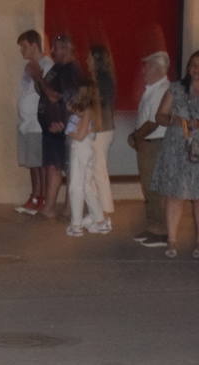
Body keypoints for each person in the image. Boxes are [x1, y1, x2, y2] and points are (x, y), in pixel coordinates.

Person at [150, 49, 199, 259]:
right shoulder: (176, 89)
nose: (195, 69)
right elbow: (160, 116)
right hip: (177, 148)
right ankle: (172, 240)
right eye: (192, 64)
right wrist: (175, 120)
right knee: (175, 195)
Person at [28, 34, 83, 219]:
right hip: (50, 126)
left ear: (67, 49)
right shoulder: (56, 67)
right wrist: (38, 79)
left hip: (61, 126)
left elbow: (55, 96)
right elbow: (43, 90)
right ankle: (52, 207)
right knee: (53, 165)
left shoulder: (71, 70)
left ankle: (61, 208)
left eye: (57, 47)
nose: (53, 51)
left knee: (61, 167)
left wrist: (39, 77)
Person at [128, 51, 171, 247]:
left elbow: (154, 121)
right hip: (147, 143)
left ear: (158, 68)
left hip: (156, 144)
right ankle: (153, 226)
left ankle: (162, 230)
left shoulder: (163, 89)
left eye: (147, 66)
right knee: (148, 187)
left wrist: (136, 136)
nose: (143, 70)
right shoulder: (153, 88)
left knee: (156, 188)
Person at [14, 30, 53, 215]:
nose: (21, 50)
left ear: (34, 45)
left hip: (39, 123)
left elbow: (48, 92)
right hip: (27, 123)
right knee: (32, 163)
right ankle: (35, 196)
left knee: (41, 163)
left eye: (24, 46)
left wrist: (38, 74)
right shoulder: (28, 67)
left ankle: (43, 197)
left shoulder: (47, 65)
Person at [65, 84, 110, 236]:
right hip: (88, 149)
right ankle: (100, 221)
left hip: (80, 148)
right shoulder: (92, 113)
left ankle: (76, 224)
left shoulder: (86, 113)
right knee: (88, 186)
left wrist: (69, 132)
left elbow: (80, 135)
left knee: (76, 185)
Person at [87, 43, 118, 232]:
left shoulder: (102, 79)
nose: (86, 60)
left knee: (99, 171)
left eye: (89, 57)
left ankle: (105, 214)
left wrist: (95, 126)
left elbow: (100, 104)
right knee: (96, 171)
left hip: (102, 128)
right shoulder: (99, 79)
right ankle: (97, 211)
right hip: (101, 128)